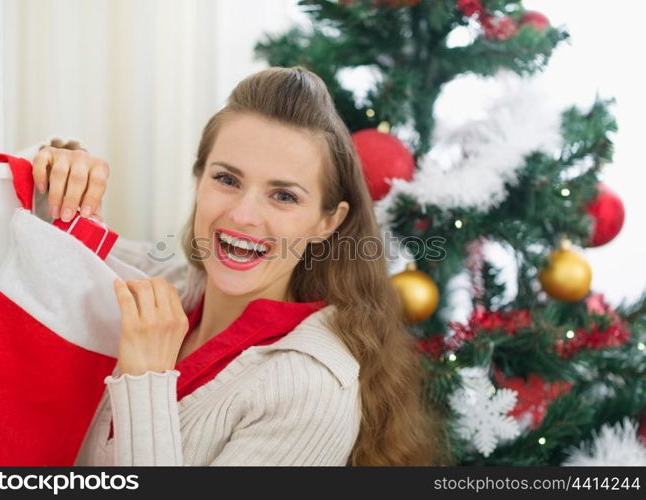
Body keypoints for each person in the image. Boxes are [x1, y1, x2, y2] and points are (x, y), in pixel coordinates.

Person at [24, 66, 447, 466]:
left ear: (327, 221)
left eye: (283, 196)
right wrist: (54, 170)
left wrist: (146, 379)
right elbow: (42, 241)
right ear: (199, 177)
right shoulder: (162, 281)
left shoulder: (309, 388)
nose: (243, 215)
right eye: (227, 179)